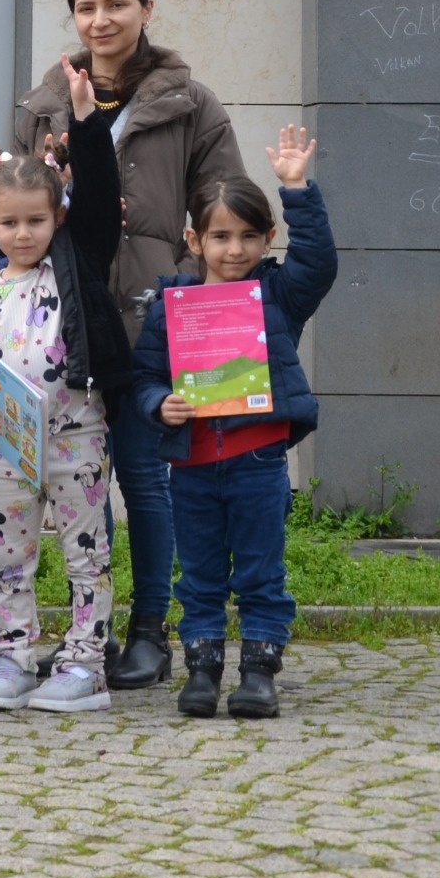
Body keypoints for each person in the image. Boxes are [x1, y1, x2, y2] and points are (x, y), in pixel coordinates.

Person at [16, 0, 248, 695]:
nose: (101, 20)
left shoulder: (190, 102)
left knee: (147, 480)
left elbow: (225, 206)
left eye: (116, 4)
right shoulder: (45, 104)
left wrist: (189, 279)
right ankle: (92, 629)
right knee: (80, 481)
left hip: (157, 315)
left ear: (147, 9)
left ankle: (152, 632)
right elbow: (17, 203)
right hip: (72, 316)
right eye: (86, 7)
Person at [0, 65, 128, 714]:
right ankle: (13, 659)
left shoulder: (77, 263)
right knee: (9, 559)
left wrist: (86, 118)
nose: (23, 234)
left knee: (86, 556)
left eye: (37, 221)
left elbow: (101, 192)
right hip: (8, 447)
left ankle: (85, 665)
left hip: (78, 440)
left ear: (57, 218)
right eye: (10, 222)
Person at [131, 127, 334, 720]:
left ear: (268, 239)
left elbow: (318, 264)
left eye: (249, 236)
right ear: (195, 239)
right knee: (198, 575)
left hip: (258, 460)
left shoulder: (278, 295)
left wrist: (297, 190)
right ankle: (202, 670)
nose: (235, 249)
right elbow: (145, 378)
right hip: (193, 465)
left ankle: (259, 673)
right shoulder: (171, 307)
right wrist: (159, 404)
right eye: (220, 236)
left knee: (261, 572)